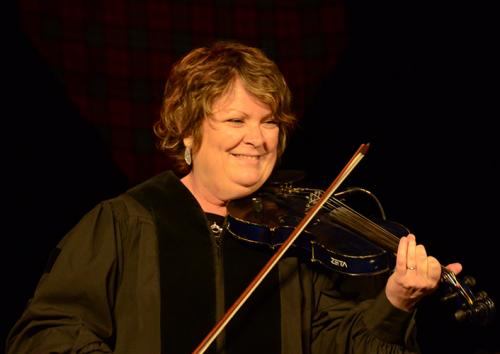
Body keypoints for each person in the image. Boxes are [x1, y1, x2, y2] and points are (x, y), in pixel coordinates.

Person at [5, 40, 462, 354]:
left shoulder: (296, 234)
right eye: (236, 120)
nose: (258, 139)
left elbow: (337, 345)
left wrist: (395, 301)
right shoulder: (127, 223)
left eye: (270, 122)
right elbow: (46, 336)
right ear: (188, 130)